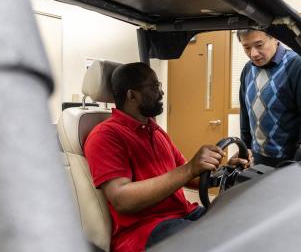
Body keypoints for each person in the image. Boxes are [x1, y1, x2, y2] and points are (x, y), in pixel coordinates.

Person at [84, 62, 248, 252]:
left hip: (183, 214)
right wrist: (189, 169)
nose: (161, 93)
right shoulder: (105, 135)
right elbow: (122, 199)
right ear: (132, 95)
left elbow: (190, 178)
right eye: (154, 87)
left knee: (239, 226)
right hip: (145, 229)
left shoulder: (155, 130)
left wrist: (226, 170)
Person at [237, 29, 301, 167]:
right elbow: (245, 113)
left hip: (291, 162)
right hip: (258, 159)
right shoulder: (248, 69)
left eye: (259, 45)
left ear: (276, 38)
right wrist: (246, 147)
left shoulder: (300, 65)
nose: (253, 53)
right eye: (246, 47)